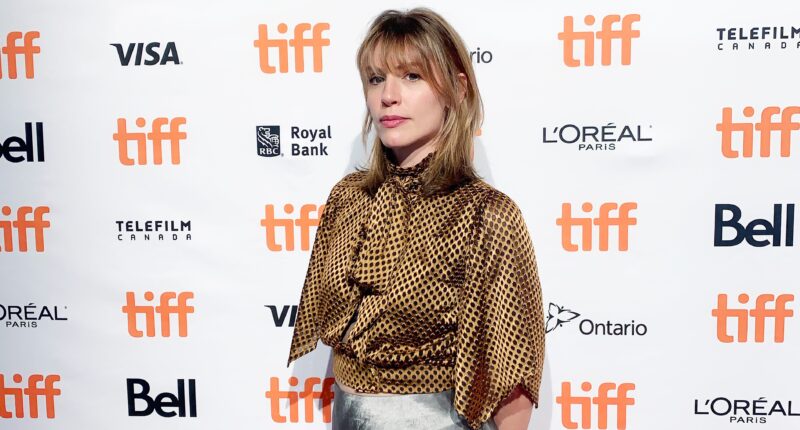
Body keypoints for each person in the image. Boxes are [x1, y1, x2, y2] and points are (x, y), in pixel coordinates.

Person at [287, 8, 545, 430]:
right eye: (376, 78)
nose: (388, 95)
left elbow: (510, 377)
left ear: (456, 89)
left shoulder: (486, 215)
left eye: (412, 76)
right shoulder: (348, 199)